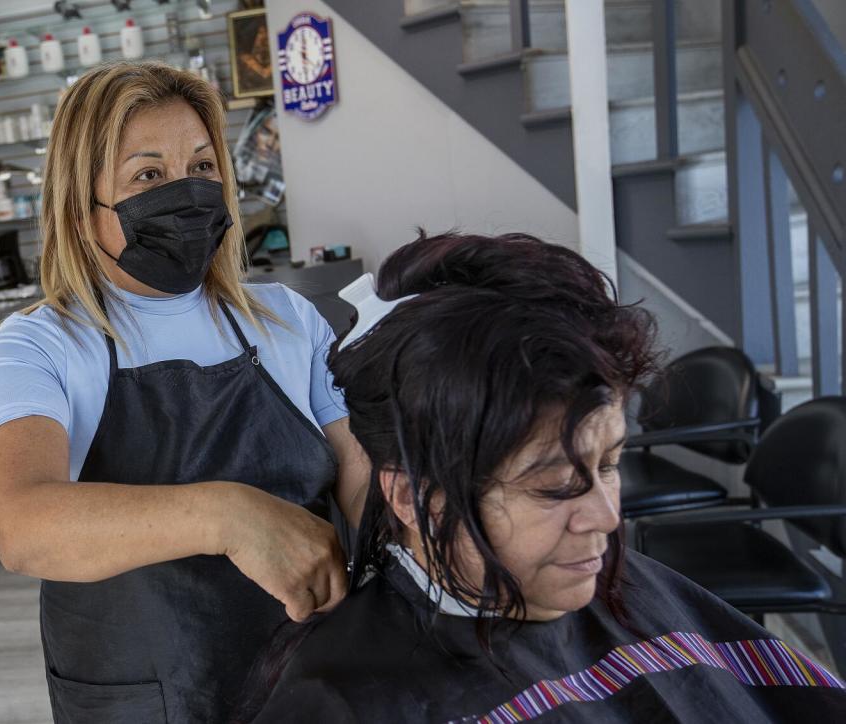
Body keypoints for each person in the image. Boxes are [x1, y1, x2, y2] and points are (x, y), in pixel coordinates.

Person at [248, 232, 846, 722]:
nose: (608, 518)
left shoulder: (636, 590)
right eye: (554, 485)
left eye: (610, 464)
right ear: (413, 496)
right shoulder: (338, 702)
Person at [0, 62, 368, 723]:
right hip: (146, 698)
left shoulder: (287, 319)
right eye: (149, 175)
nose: (186, 193)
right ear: (81, 201)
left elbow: (362, 472)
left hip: (311, 677)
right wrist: (230, 517)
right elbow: (22, 526)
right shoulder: (39, 347)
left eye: (203, 167)